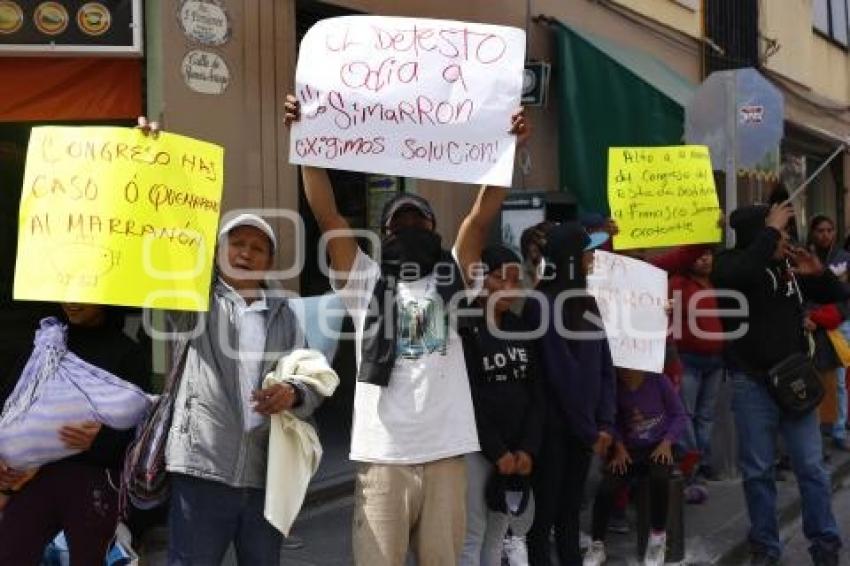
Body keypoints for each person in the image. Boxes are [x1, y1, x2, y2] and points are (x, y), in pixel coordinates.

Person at [284, 95, 529, 565]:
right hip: (383, 456)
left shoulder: (454, 274)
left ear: (436, 231)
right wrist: (306, 141)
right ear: (384, 234)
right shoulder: (365, 280)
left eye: (420, 221)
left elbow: (480, 215)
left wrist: (509, 145)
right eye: (400, 224)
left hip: (445, 455)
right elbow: (328, 217)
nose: (410, 227)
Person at [160, 210, 322, 565]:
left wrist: (293, 392)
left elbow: (312, 376)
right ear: (218, 253)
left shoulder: (284, 314)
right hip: (203, 469)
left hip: (267, 475)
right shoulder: (194, 302)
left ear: (269, 263)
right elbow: (164, 257)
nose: (246, 254)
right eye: (236, 244)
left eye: (257, 248)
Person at [713, 202, 845, 566]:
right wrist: (769, 231)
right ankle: (766, 547)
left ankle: (825, 545)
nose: (786, 237)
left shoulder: (787, 265)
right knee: (758, 472)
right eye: (778, 230)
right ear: (759, 232)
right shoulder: (729, 264)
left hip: (794, 381)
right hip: (751, 385)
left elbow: (840, 297)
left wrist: (819, 274)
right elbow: (740, 275)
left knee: (812, 468)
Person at [0, 303, 150, 564]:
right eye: (66, 291)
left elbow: (139, 430)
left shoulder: (128, 353)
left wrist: (100, 440)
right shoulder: (46, 344)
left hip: (93, 479)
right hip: (34, 477)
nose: (71, 301)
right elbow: (13, 404)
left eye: (81, 293)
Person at [523, 222, 616, 566]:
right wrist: (592, 431)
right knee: (544, 515)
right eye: (587, 251)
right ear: (570, 258)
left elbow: (604, 363)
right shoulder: (540, 303)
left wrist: (606, 422)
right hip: (552, 431)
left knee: (570, 514)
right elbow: (564, 374)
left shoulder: (587, 301)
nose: (593, 258)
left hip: (585, 430)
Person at [459, 245, 544, 566]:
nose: (509, 288)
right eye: (500, 278)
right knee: (472, 535)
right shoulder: (465, 328)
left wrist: (527, 449)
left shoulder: (521, 326)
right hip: (477, 449)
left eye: (515, 280)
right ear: (482, 279)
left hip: (516, 450)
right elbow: (469, 395)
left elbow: (536, 391)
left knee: (498, 535)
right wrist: (497, 451)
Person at [583, 368, 688, 566]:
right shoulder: (615, 386)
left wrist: (667, 442)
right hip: (629, 449)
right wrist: (620, 447)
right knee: (607, 486)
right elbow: (611, 421)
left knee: (659, 478)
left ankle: (657, 537)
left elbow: (679, 415)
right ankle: (597, 543)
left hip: (658, 445)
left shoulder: (658, 380)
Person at [669, 249, 725, 480]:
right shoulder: (678, 283)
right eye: (699, 255)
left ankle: (703, 460)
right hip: (688, 358)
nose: (705, 258)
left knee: (705, 415)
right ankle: (691, 462)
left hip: (715, 359)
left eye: (708, 254)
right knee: (686, 414)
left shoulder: (716, 283)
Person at [807, 214, 850, 451]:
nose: (825, 235)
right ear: (813, 233)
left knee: (841, 380)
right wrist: (810, 316)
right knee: (813, 376)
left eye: (829, 230)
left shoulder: (845, 259)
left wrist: (838, 315)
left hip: (839, 324)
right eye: (820, 230)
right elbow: (803, 293)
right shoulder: (805, 257)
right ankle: (817, 428)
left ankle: (839, 429)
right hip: (811, 323)